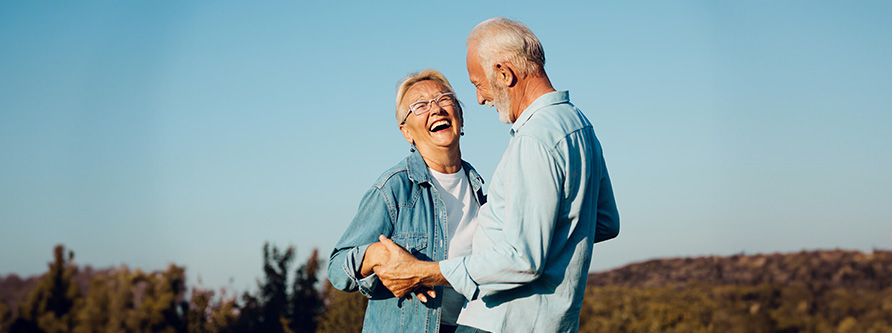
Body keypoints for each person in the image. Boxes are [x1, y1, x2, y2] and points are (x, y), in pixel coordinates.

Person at [374, 17, 620, 332]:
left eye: (478, 84)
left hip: (499, 322)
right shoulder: (579, 124)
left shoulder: (534, 139)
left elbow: (522, 260)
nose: (480, 98)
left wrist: (423, 272)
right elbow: (605, 222)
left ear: (504, 73)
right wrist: (546, 237)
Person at [327, 69, 486, 332]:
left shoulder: (481, 191)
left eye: (444, 99)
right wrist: (375, 254)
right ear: (406, 132)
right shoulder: (394, 188)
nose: (436, 109)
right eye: (420, 106)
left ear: (460, 115)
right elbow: (336, 268)